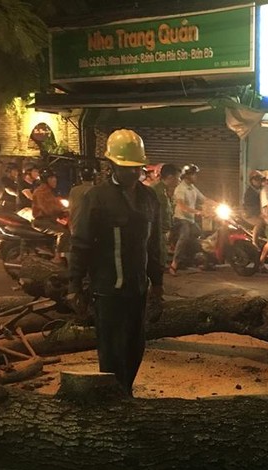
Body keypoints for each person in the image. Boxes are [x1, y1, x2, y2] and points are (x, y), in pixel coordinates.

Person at [67, 129, 164, 396]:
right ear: (112, 165)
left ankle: (126, 389)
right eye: (126, 168)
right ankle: (113, 396)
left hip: (137, 289)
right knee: (110, 349)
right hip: (108, 290)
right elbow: (81, 243)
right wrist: (74, 284)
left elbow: (154, 244)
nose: (133, 173)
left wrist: (157, 282)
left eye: (137, 168)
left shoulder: (149, 198)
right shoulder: (97, 198)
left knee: (135, 345)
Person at [170, 164, 212, 275]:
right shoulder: (181, 189)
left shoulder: (192, 188)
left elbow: (204, 199)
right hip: (181, 219)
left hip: (190, 220)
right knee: (184, 237)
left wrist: (218, 204)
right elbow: (182, 206)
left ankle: (193, 259)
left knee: (200, 234)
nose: (196, 177)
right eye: (194, 174)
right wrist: (198, 212)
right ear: (187, 176)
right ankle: (174, 264)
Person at [31, 169, 70, 264]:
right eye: (52, 178)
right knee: (63, 233)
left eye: (55, 177)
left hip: (50, 219)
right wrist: (62, 210)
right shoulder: (41, 192)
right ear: (45, 180)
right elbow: (48, 209)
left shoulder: (49, 191)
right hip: (42, 221)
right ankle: (57, 257)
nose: (55, 180)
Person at [150, 163, 179, 266]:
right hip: (156, 233)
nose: (179, 181)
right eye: (177, 178)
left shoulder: (166, 191)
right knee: (157, 261)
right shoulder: (155, 191)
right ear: (170, 177)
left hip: (163, 233)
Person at [68, 165, 96, 237]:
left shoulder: (74, 190)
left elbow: (71, 209)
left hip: (75, 230)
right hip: (90, 232)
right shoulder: (97, 190)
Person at [242, 169, 265, 246]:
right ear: (252, 181)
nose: (259, 182)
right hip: (250, 214)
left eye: (260, 180)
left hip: (260, 212)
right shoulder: (250, 192)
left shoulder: (262, 190)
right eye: (256, 180)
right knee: (259, 223)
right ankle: (254, 242)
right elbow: (250, 206)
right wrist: (259, 213)